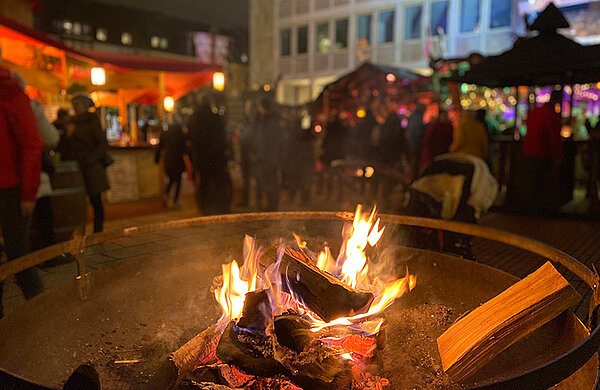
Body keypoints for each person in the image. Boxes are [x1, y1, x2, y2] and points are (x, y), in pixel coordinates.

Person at [0, 65, 44, 318]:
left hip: (12, 191)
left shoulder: (10, 93)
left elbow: (32, 143)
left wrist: (28, 192)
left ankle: (41, 314)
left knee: (19, 257)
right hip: (10, 187)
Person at [12, 72, 60, 250]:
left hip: (6, 177)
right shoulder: (28, 106)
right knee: (41, 214)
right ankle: (45, 254)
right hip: (29, 174)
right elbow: (50, 138)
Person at [69, 94, 110, 233]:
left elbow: (102, 144)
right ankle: (82, 231)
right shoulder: (73, 122)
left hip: (91, 167)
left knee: (95, 201)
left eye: (78, 105)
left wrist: (91, 159)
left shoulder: (91, 120)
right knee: (80, 202)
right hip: (79, 166)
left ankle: (98, 231)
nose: (76, 108)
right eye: (74, 105)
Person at [188, 95, 232, 215]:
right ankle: (219, 206)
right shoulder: (215, 118)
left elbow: (192, 139)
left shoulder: (194, 119)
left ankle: (204, 207)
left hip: (201, 158)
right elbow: (221, 139)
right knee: (217, 182)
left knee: (203, 183)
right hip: (215, 157)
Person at [522, 90, 564, 212]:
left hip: (529, 151)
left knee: (533, 180)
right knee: (540, 182)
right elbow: (554, 139)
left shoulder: (536, 112)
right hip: (542, 152)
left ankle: (531, 207)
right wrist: (558, 156)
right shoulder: (551, 115)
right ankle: (538, 208)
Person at [254, 97, 284, 211]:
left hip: (265, 159)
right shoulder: (275, 122)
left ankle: (264, 209)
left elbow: (259, 140)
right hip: (271, 159)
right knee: (271, 184)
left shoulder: (262, 122)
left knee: (263, 184)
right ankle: (271, 208)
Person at [155, 116, 187, 209]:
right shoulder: (181, 134)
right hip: (178, 160)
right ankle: (175, 201)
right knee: (178, 181)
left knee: (171, 179)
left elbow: (160, 147)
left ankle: (166, 196)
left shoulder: (166, 133)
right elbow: (185, 148)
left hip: (168, 160)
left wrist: (156, 158)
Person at [407, 103, 427, 177]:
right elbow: (417, 131)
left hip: (414, 143)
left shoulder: (415, 116)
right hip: (416, 144)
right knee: (415, 162)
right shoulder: (417, 117)